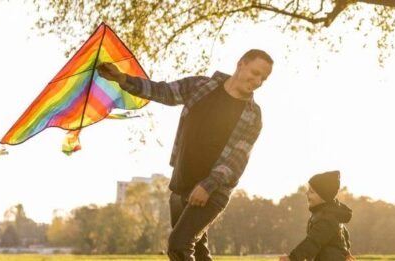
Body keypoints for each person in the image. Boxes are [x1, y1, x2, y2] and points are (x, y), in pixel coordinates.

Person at [97, 49, 273, 261]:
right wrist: (122, 78)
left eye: (263, 78)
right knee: (198, 253)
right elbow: (162, 91)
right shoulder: (201, 86)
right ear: (241, 64)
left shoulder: (253, 115)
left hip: (213, 190)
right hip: (182, 184)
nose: (257, 81)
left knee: (179, 246)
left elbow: (237, 158)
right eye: (255, 73)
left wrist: (207, 186)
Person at [281, 170, 354, 261]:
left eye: (311, 192)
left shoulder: (327, 218)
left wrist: (293, 258)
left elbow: (313, 242)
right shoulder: (328, 215)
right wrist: (346, 251)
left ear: (324, 197)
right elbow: (344, 235)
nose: (306, 193)